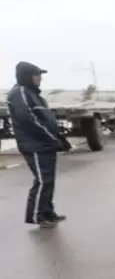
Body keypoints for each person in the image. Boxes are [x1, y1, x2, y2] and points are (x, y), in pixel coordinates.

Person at [6, 61, 71, 227]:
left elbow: (44, 118)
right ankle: (37, 216)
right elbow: (29, 119)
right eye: (36, 75)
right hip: (34, 145)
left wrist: (58, 137)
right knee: (42, 180)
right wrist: (50, 137)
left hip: (45, 144)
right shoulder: (19, 93)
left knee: (48, 180)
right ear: (27, 76)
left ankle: (47, 212)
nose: (40, 79)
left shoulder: (34, 94)